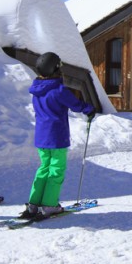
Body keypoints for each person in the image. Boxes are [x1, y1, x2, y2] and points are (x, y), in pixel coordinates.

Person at [19, 51, 96, 220]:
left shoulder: (37, 90)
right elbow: (75, 105)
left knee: (43, 169)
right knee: (56, 171)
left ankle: (34, 204)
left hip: (41, 136)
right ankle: (49, 205)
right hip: (56, 136)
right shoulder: (59, 89)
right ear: (56, 69)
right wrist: (89, 109)